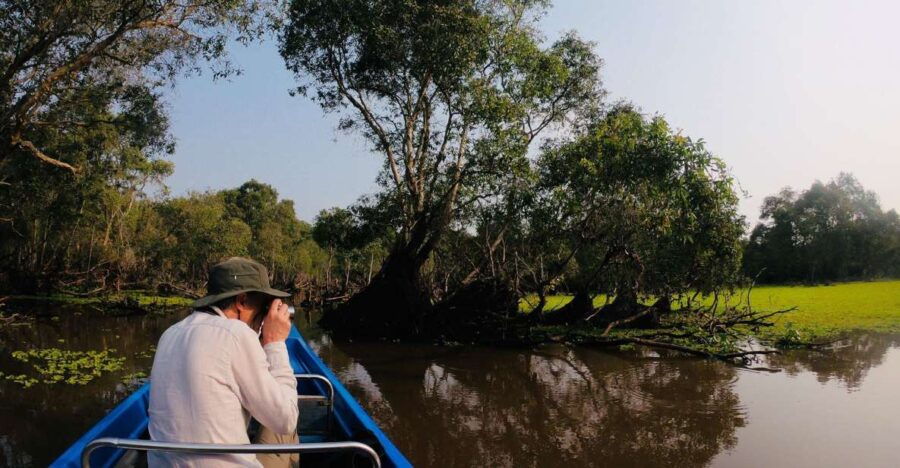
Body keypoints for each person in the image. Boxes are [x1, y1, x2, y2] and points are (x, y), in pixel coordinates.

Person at [148, 257, 300, 467]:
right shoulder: (237, 334)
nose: (264, 316)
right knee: (286, 426)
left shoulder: (170, 333)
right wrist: (274, 343)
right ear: (242, 301)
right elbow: (286, 420)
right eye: (263, 306)